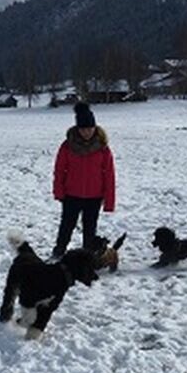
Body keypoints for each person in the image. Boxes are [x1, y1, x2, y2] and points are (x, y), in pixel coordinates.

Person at [52, 101, 116, 258]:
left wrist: (109, 201)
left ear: (95, 127)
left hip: (94, 196)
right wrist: (58, 191)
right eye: (83, 129)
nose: (86, 132)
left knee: (90, 228)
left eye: (89, 128)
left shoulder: (103, 148)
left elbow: (109, 175)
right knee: (66, 226)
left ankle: (87, 257)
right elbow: (59, 170)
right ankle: (59, 251)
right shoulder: (67, 146)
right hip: (71, 194)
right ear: (77, 128)